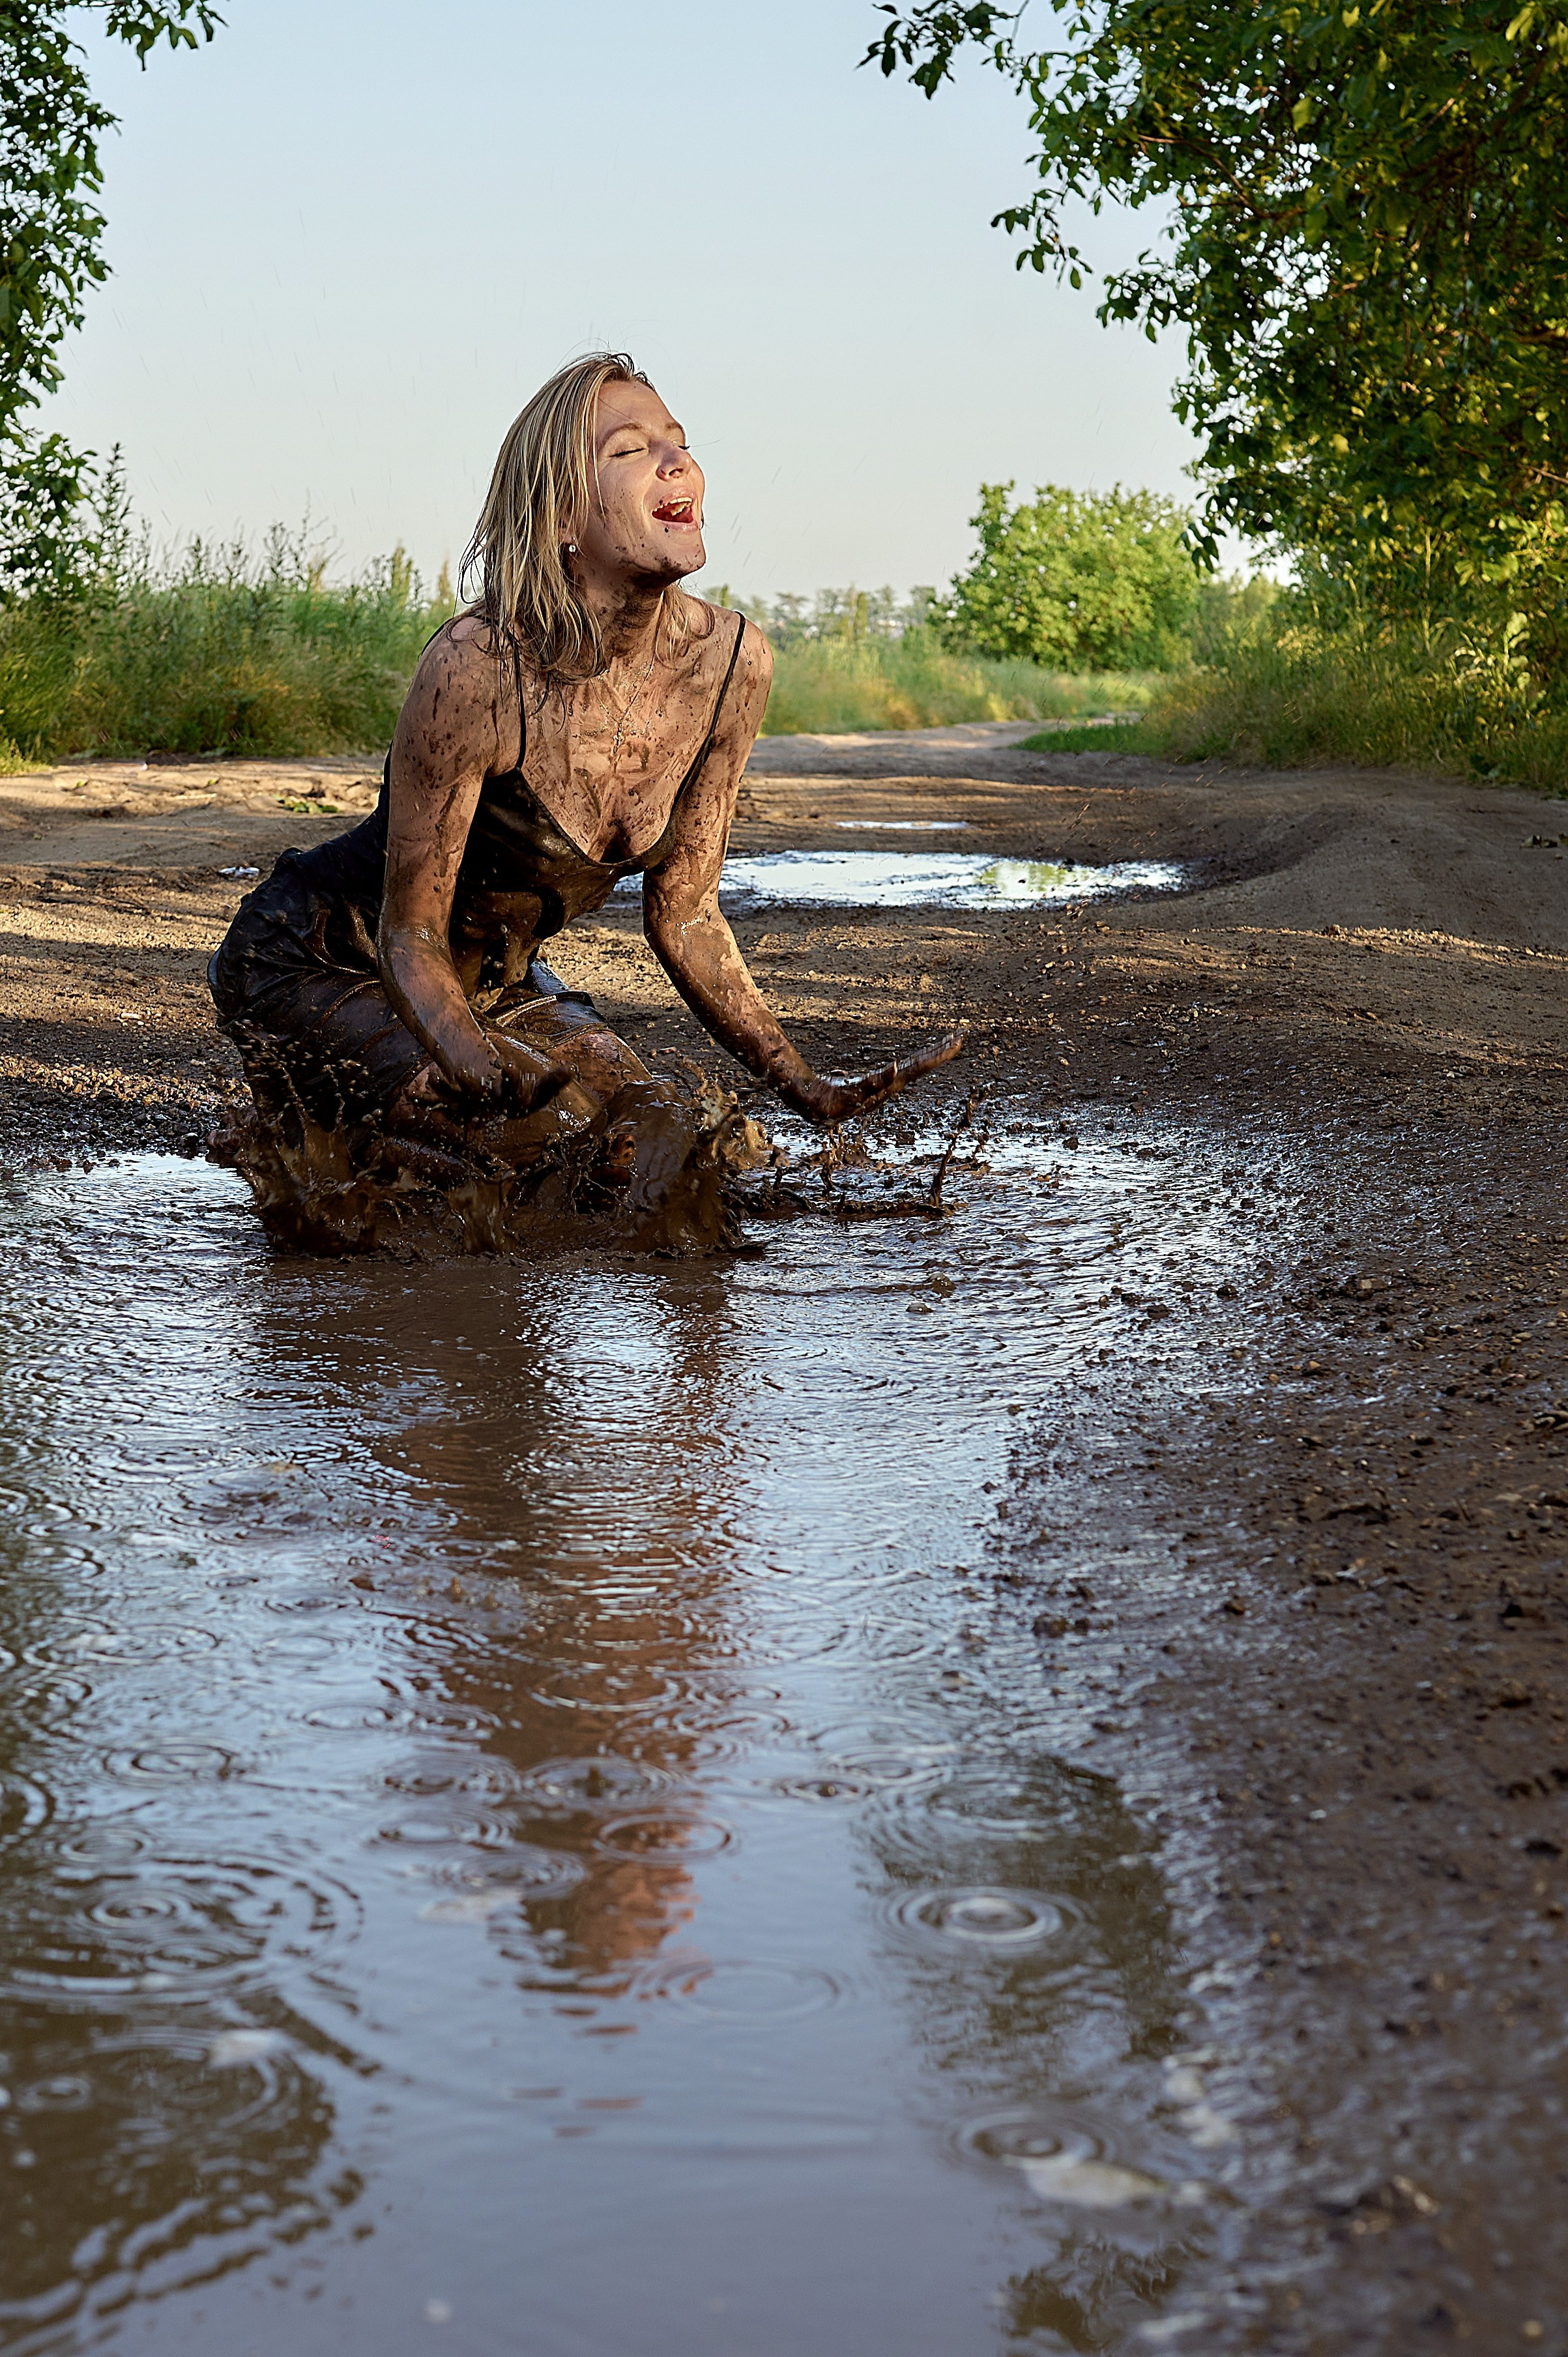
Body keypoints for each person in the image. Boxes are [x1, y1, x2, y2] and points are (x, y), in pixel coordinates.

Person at [209, 351, 963, 1248]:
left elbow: (685, 916)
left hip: (502, 985)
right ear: (561, 516)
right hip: (323, 957)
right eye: (631, 450)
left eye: (679, 444)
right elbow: (410, 934)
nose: (677, 463)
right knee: (530, 1144)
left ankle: (375, 1129)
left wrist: (800, 1084)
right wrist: (476, 1073)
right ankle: (334, 1132)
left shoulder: (731, 666)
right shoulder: (477, 669)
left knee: (666, 1144)